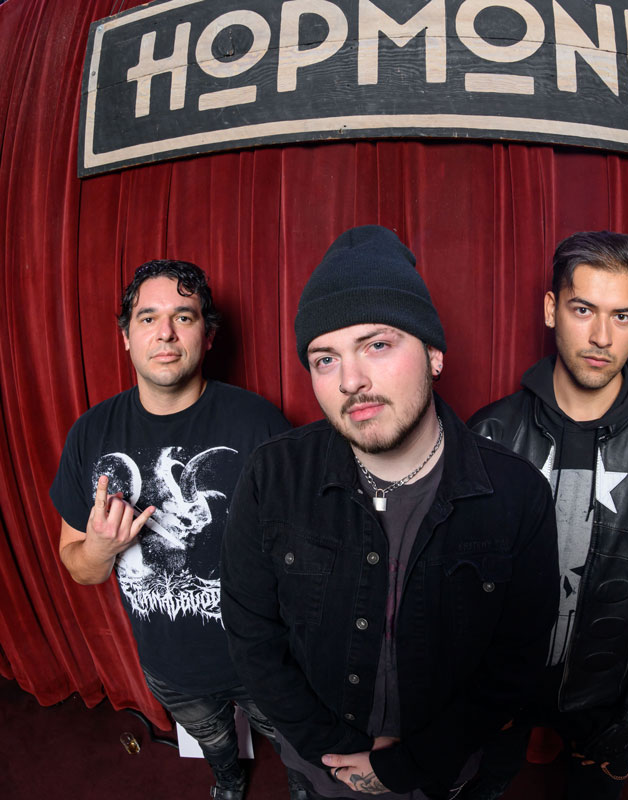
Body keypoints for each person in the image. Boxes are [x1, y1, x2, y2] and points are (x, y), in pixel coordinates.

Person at [220, 225, 559, 799]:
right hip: (321, 767)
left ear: (434, 355)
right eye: (325, 359)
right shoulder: (271, 476)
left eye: (376, 345)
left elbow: (516, 660)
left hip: (448, 774)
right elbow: (252, 635)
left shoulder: (516, 494)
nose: (351, 380)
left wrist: (412, 764)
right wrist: (330, 749)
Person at [466, 231, 628, 799]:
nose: (602, 337)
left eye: (621, 316)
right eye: (583, 310)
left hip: (605, 699)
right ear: (551, 310)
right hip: (501, 690)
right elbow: (462, 584)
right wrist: (472, 688)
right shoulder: (490, 436)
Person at [50, 260, 291, 800]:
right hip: (171, 666)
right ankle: (228, 780)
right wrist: (102, 547)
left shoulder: (258, 422)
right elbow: (80, 569)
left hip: (265, 657)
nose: (165, 333)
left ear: (208, 335)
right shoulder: (90, 434)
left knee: (296, 748)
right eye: (148, 317)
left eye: (184, 316)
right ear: (126, 337)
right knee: (214, 742)